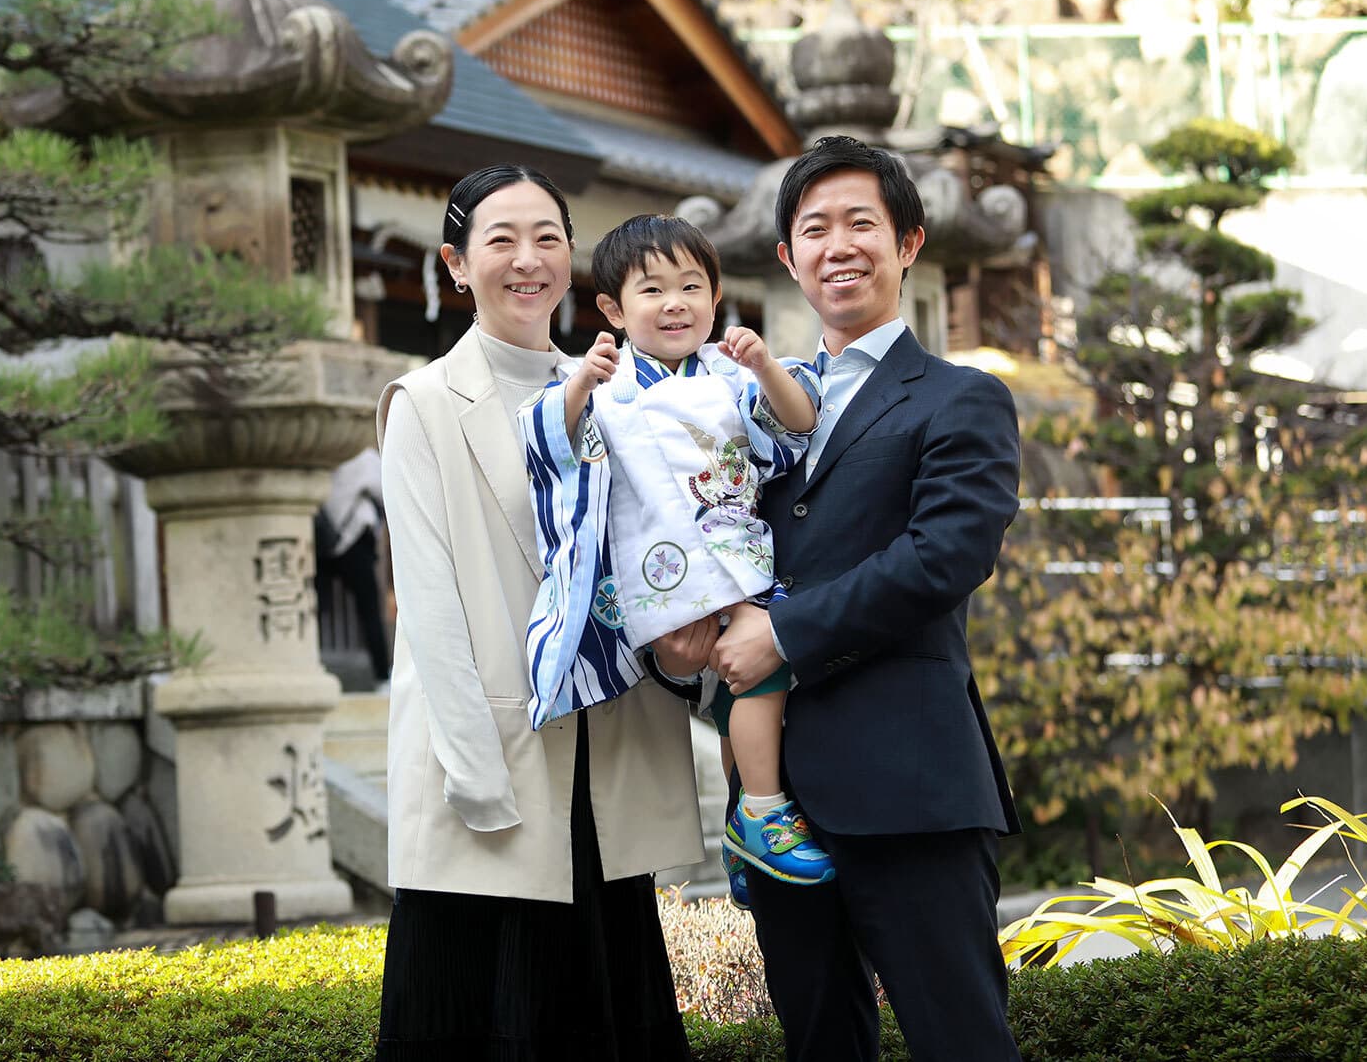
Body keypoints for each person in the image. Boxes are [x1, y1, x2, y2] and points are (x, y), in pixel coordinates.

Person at [374, 166, 709, 1062]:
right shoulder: (424, 406)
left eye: (549, 238)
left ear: (574, 260)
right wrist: (476, 778)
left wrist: (686, 661)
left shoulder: (628, 390)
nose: (528, 260)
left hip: (604, 768)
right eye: (501, 239)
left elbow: (670, 558)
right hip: (491, 774)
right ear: (456, 263)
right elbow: (431, 609)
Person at [709, 135, 1024, 1062]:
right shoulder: (749, 411)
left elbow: (944, 556)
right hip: (776, 800)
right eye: (815, 229)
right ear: (787, 258)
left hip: (910, 783)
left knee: (961, 1039)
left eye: (861, 224)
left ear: (910, 243)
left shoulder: (962, 398)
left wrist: (786, 634)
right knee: (818, 1043)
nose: (838, 245)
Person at [516, 214, 833, 904]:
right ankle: (764, 810)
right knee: (760, 677)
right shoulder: (603, 379)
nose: (675, 302)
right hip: (664, 578)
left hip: (732, 556)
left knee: (741, 692)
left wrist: (766, 365)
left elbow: (800, 423)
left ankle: (747, 827)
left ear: (716, 297)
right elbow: (548, 441)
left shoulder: (728, 374)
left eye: (692, 286)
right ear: (611, 308)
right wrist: (578, 387)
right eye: (652, 289)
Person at [315, 446, 391, 687]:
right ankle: (382, 676)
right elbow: (385, 491)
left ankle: (313, 669)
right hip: (354, 539)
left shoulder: (320, 456)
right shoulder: (363, 458)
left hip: (324, 538)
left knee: (316, 610)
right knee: (369, 611)